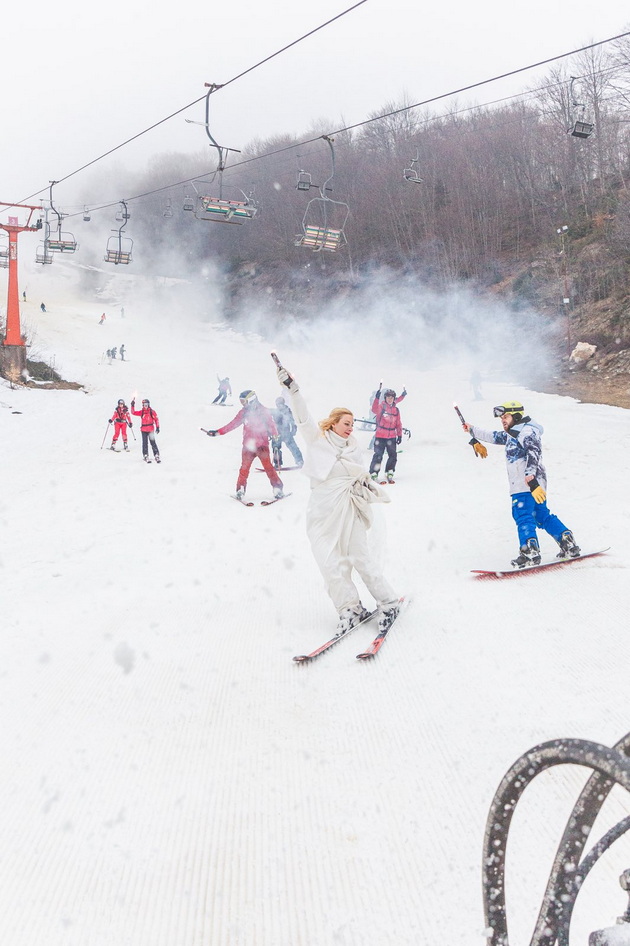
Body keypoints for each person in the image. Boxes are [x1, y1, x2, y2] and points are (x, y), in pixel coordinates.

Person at [276, 364, 400, 636]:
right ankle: (350, 609)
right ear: (333, 423)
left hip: (349, 509)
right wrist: (292, 389)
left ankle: (389, 603)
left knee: (360, 558)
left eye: (353, 425)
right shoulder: (317, 440)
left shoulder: (355, 449)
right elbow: (303, 418)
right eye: (346, 423)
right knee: (329, 563)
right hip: (322, 512)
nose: (350, 428)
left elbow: (359, 477)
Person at [462, 400, 581, 567]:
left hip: (526, 483)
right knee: (541, 515)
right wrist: (472, 429)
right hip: (533, 484)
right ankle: (567, 542)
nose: (503, 419)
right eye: (501, 417)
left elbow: (534, 452)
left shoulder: (526, 432)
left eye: (506, 416)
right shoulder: (514, 433)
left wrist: (530, 476)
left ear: (516, 415)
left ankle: (530, 552)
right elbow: (494, 436)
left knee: (522, 514)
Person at [206, 390, 283, 499]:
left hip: (262, 446)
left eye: (244, 401)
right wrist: (218, 432)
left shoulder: (263, 411)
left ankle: (278, 488)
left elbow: (272, 425)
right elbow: (232, 424)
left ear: (251, 400)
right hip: (248, 447)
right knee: (244, 468)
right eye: (241, 402)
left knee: (268, 468)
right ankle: (240, 489)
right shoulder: (243, 413)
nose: (242, 404)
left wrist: (276, 438)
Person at [369, 385, 407, 483]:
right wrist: (377, 398)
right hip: (380, 436)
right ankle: (374, 473)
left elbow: (398, 423)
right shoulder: (381, 406)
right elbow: (374, 409)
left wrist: (399, 435)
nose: (390, 399)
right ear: (385, 398)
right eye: (388, 397)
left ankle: (389, 471)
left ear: (394, 399)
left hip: (391, 436)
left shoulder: (396, 410)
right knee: (378, 455)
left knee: (393, 455)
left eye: (392, 398)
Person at [271, 396, 303, 469]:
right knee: (276, 448)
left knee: (293, 447)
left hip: (286, 432)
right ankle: (277, 463)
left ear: (283, 403)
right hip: (277, 433)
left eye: (280, 404)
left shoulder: (287, 411)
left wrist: (293, 430)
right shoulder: (275, 412)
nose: (278, 406)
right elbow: (271, 422)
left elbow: (293, 421)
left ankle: (299, 461)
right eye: (277, 404)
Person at [131, 397, 160, 463]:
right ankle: (145, 455)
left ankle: (156, 454)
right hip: (143, 430)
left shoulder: (152, 412)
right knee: (145, 443)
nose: (145, 405)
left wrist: (158, 427)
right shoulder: (142, 412)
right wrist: (132, 405)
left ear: (149, 404)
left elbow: (156, 419)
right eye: (144, 404)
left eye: (146, 404)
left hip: (150, 429)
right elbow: (133, 412)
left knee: (153, 442)